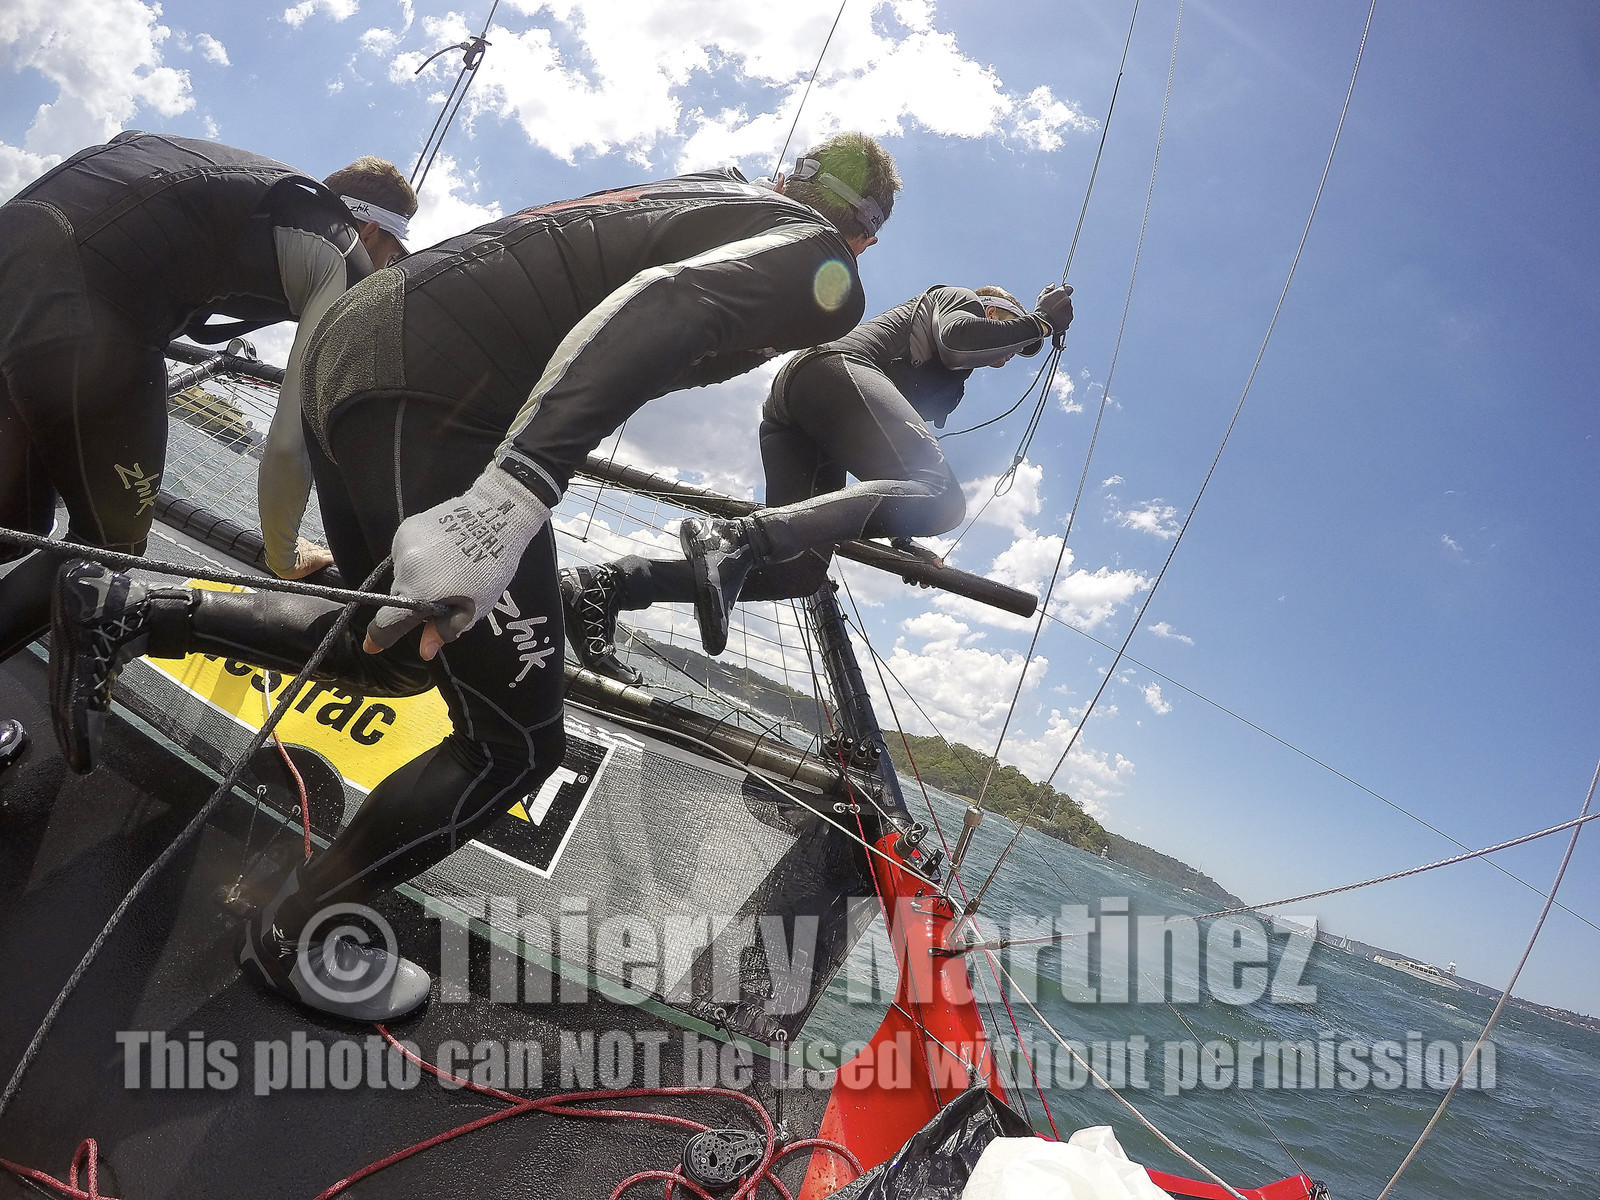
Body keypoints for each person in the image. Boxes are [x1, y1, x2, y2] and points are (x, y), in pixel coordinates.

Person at [47, 133, 902, 1020]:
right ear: (866, 236)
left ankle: (135, 608)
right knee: (515, 746)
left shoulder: (705, 194)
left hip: (363, 346)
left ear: (785, 176)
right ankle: (293, 928)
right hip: (445, 395)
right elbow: (667, 301)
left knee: (396, 644)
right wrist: (511, 497)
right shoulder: (817, 258)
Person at [0, 132, 415, 775]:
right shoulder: (344, 254)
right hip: (88, 306)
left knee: (17, 521)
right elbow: (292, 438)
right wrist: (283, 553)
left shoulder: (261, 191)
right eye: (393, 251)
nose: (387, 270)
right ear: (369, 226)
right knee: (103, 544)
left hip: (19, 251)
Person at [561, 282, 1074, 681]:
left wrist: (903, 540)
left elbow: (885, 459)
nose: (1007, 341)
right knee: (944, 500)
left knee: (798, 573)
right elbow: (959, 340)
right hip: (832, 371)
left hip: (804, 417)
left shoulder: (949, 389)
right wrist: (1040, 322)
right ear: (988, 311)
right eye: (1002, 322)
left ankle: (609, 585)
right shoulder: (956, 305)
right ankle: (736, 538)